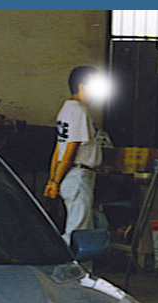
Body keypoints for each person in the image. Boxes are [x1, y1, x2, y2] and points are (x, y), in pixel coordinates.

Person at [44, 66, 107, 246]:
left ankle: (76, 269)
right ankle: (69, 270)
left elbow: (58, 149)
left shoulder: (66, 108)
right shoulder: (79, 111)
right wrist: (54, 182)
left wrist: (52, 179)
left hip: (71, 177)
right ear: (81, 87)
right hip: (78, 176)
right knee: (78, 232)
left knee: (83, 226)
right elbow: (70, 150)